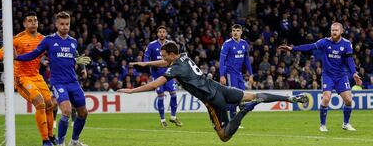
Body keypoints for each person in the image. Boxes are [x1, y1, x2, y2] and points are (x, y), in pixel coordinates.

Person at [120, 42, 308, 142]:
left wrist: (132, 90)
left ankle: (245, 110)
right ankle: (291, 98)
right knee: (255, 95)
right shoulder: (183, 57)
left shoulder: (175, 68)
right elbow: (164, 63)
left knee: (223, 136)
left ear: (171, 55)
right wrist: (146, 63)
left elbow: (155, 84)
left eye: (163, 55)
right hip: (220, 87)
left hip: (213, 99)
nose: (162, 59)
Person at [15, 11, 91, 146]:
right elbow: (34, 54)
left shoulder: (73, 42)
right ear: (56, 25)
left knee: (83, 113)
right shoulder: (49, 40)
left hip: (73, 82)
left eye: (67, 24)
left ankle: (74, 141)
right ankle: (60, 143)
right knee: (66, 111)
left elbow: (77, 57)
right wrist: (17, 57)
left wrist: (83, 68)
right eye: (61, 24)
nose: (65, 27)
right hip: (58, 82)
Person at [0, 11, 56, 146]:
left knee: (50, 105)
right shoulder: (17, 39)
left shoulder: (43, 39)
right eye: (29, 21)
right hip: (22, 78)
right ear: (24, 23)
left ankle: (51, 136)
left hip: (36, 76)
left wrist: (47, 60)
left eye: (35, 20)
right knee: (40, 103)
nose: (33, 23)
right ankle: (45, 140)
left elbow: (51, 53)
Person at [278, 22, 362, 132]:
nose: (334, 32)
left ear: (341, 31)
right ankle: (323, 125)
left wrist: (354, 73)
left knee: (348, 100)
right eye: (332, 30)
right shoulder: (324, 42)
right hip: (328, 76)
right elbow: (310, 46)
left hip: (341, 76)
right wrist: (292, 49)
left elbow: (349, 60)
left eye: (336, 30)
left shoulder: (347, 44)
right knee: (326, 98)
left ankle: (346, 124)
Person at [131, 26, 182, 127]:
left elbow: (176, 57)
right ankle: (162, 120)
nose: (162, 33)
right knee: (161, 96)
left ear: (166, 33)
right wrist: (148, 65)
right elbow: (146, 58)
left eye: (163, 32)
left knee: (174, 94)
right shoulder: (151, 45)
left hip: (169, 74)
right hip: (157, 75)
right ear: (157, 34)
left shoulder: (170, 45)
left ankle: (173, 116)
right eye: (160, 32)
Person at [220, 24, 253, 121]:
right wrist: (222, 75)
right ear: (231, 32)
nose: (235, 32)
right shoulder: (227, 44)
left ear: (241, 32)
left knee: (242, 96)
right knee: (233, 96)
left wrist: (251, 74)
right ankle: (231, 122)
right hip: (230, 73)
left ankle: (226, 114)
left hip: (239, 74)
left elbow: (246, 60)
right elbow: (221, 61)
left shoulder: (244, 44)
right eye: (234, 30)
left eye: (238, 30)